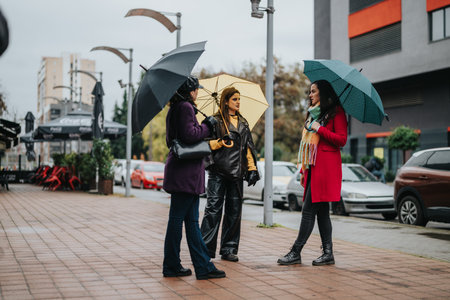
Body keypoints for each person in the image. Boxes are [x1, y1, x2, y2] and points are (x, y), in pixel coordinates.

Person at [277, 80, 347, 266]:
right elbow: (308, 146)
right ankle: (328, 254)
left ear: (323, 93)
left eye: (313, 91)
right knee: (322, 213)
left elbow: (341, 140)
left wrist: (320, 128)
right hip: (313, 168)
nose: (310, 95)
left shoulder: (336, 112)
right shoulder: (316, 114)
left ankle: (296, 252)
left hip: (326, 169)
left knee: (308, 211)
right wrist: (303, 169)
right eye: (310, 92)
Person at [162, 76, 226, 280]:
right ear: (190, 90)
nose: (198, 91)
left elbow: (173, 139)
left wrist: (203, 125)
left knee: (189, 222)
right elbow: (191, 135)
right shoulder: (186, 108)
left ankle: (200, 265)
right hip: (185, 174)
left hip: (182, 173)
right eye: (196, 89)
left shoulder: (175, 108)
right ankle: (178, 265)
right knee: (180, 221)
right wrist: (207, 125)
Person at [200, 87, 260, 262]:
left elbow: (248, 147)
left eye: (239, 99)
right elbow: (204, 143)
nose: (238, 102)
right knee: (212, 211)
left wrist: (252, 168)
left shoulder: (243, 123)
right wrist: (219, 142)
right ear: (226, 101)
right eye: (234, 99)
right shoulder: (215, 121)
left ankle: (229, 249)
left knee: (234, 213)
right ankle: (205, 249)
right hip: (218, 172)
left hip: (236, 174)